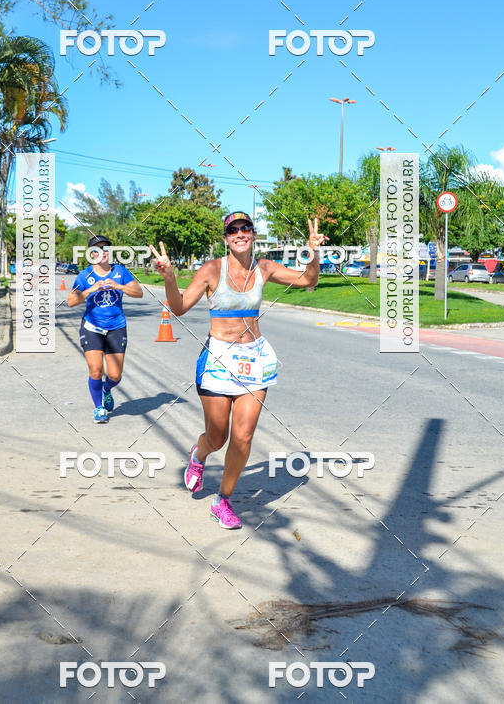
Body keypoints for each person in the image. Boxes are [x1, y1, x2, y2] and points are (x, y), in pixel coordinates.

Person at [150, 213, 327, 528]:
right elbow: (177, 308)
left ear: (254, 234)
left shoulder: (265, 268)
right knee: (218, 437)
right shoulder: (210, 270)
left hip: (255, 358)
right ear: (225, 238)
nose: (240, 233)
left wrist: (313, 253)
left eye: (246, 228)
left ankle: (223, 500)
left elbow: (308, 280)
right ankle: (199, 454)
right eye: (233, 230)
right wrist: (169, 276)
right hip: (218, 360)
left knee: (243, 436)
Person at [67, 235, 143, 423]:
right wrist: (90, 290)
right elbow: (71, 301)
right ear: (91, 254)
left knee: (115, 375)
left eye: (105, 248)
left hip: (116, 327)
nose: (102, 252)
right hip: (92, 327)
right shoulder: (84, 275)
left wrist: (119, 286)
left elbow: (138, 292)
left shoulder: (120, 271)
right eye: (97, 249)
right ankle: (99, 407)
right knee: (95, 369)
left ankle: (106, 389)